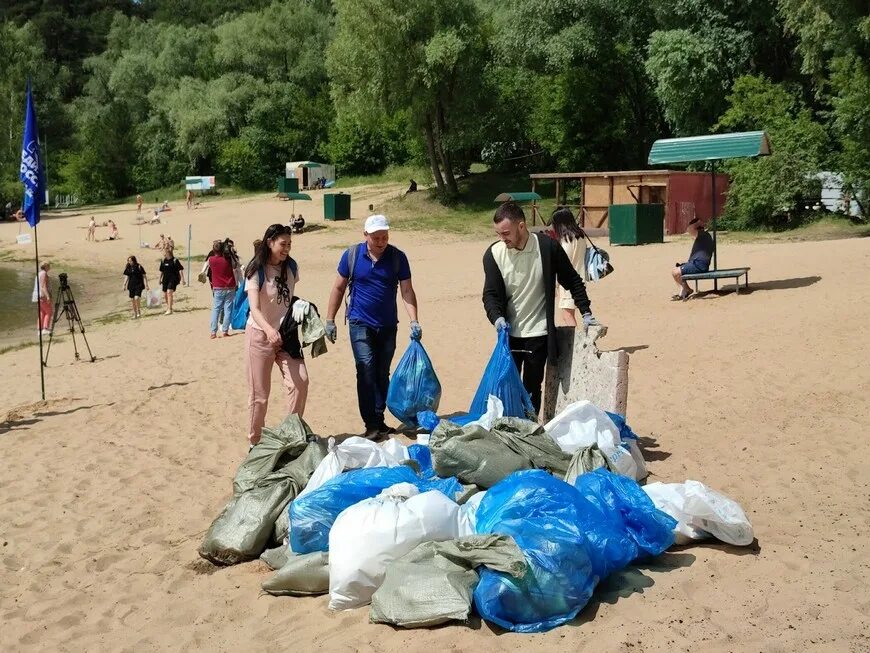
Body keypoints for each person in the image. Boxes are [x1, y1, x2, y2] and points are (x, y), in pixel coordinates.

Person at [482, 201, 599, 416]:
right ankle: (509, 430)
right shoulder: (493, 254)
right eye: (498, 234)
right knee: (506, 387)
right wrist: (497, 317)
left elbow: (572, 280)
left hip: (539, 333)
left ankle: (529, 430)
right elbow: (490, 295)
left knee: (532, 388)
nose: (502, 238)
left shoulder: (547, 247)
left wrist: (586, 312)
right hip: (509, 334)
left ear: (521, 226)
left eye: (506, 233)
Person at [324, 214, 420, 439]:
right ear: (365, 235)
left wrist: (414, 320)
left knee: (382, 373)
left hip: (388, 325)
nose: (381, 241)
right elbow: (338, 288)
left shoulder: (398, 258)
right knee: (366, 369)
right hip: (359, 322)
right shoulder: (352, 255)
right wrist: (330, 320)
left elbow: (407, 290)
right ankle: (371, 424)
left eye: (384, 237)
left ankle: (378, 419)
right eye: (376, 237)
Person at [244, 224, 309, 447]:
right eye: (283, 244)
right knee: (259, 395)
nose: (286, 249)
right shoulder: (256, 270)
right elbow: (254, 308)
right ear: (270, 242)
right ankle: (255, 442)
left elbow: (287, 298)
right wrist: (269, 330)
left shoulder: (291, 267)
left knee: (300, 381)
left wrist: (301, 305)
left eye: (289, 244)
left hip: (286, 336)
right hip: (260, 335)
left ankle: (290, 434)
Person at [550, 207, 588, 326]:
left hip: (568, 282)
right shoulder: (580, 236)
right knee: (573, 312)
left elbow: (561, 265)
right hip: (580, 278)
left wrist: (555, 284)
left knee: (567, 315)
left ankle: (574, 341)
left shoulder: (565, 241)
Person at [671, 217, 714, 301]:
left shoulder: (702, 234)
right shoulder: (704, 236)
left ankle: (683, 291)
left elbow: (689, 229)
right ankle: (687, 290)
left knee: (675, 272)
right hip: (697, 264)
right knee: (678, 271)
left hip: (698, 265)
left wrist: (697, 222)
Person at [207, 241, 237, 338]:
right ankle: (225, 330)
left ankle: (213, 332)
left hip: (218, 287)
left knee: (216, 309)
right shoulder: (228, 259)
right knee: (228, 309)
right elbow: (235, 265)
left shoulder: (211, 259)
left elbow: (206, 266)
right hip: (230, 286)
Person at [158, 248, 185, 315]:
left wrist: (183, 279)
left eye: (164, 253)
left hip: (173, 278)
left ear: (168, 253)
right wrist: (159, 279)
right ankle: (169, 308)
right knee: (165, 294)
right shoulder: (163, 261)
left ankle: (169, 309)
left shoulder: (175, 260)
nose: (163, 254)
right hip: (165, 279)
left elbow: (180, 269)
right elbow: (162, 271)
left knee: (169, 292)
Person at [36, 262, 52, 336]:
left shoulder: (39, 273)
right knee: (49, 312)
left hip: (38, 296)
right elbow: (43, 286)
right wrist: (48, 296)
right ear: (45, 266)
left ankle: (40, 329)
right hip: (43, 296)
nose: (49, 267)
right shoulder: (44, 274)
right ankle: (45, 328)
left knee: (42, 312)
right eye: (48, 266)